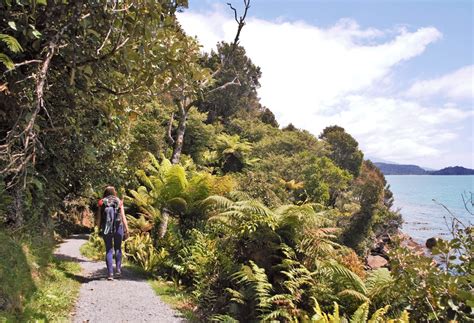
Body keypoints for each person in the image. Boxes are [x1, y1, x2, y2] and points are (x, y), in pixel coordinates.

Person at [96, 186, 129, 280]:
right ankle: (118, 271)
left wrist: (98, 228)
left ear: (105, 193)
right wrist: (127, 229)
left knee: (109, 250)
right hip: (118, 227)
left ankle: (110, 274)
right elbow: (123, 216)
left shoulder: (101, 202)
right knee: (118, 248)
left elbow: (99, 218)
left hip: (106, 228)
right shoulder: (119, 201)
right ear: (114, 192)